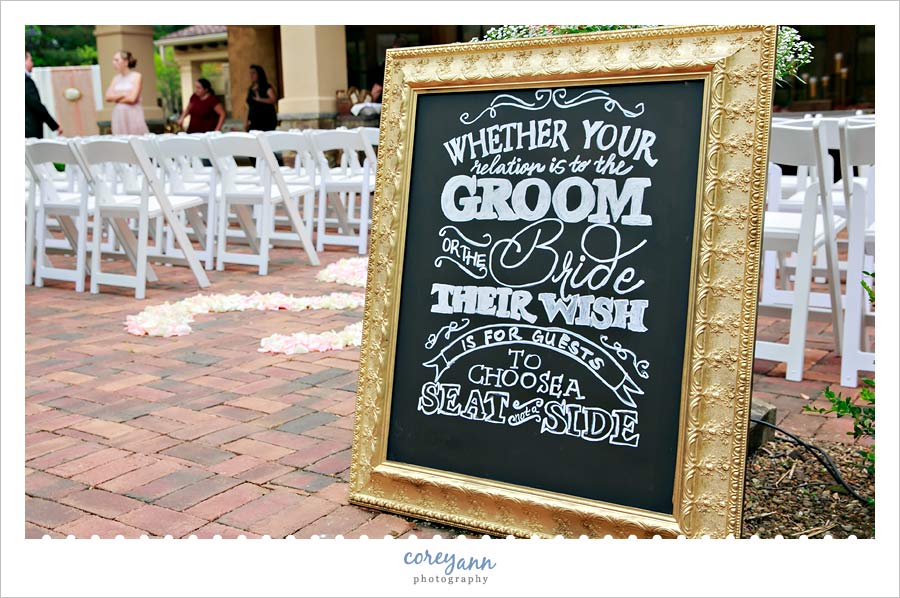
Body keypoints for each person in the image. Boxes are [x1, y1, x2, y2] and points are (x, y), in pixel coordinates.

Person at [105, 50, 149, 135]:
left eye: (117, 60)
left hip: (132, 114)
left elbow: (132, 99)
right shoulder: (115, 78)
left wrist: (116, 99)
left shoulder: (136, 76)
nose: (114, 62)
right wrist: (123, 94)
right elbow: (108, 97)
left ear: (125, 62)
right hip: (118, 115)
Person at [25, 50, 62, 138]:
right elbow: (36, 105)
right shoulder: (26, 81)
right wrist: (54, 125)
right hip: (29, 131)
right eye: (30, 60)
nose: (32, 63)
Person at [245, 64, 277, 132]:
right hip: (254, 123)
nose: (251, 75)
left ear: (259, 74)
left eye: (253, 73)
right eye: (250, 73)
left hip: (266, 122)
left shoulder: (266, 87)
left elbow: (273, 100)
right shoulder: (251, 89)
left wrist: (260, 99)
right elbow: (249, 107)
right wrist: (246, 121)